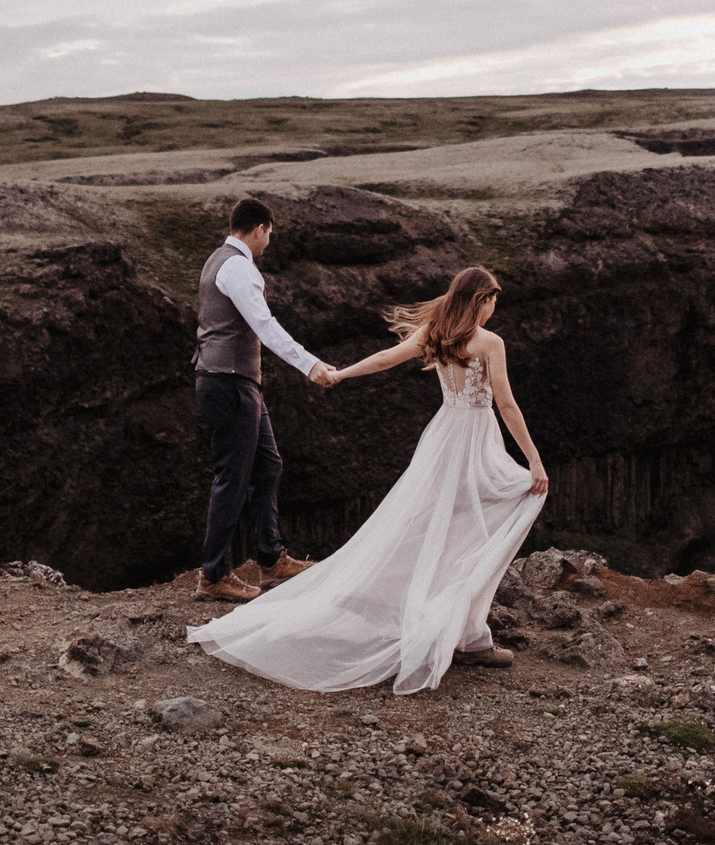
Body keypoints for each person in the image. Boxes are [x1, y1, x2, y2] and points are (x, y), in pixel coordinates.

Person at [187, 264, 549, 694]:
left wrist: (341, 373)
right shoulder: (490, 342)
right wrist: (534, 461)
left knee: (444, 527)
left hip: (443, 438)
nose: (493, 310)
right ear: (481, 299)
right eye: (492, 301)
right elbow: (506, 406)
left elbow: (385, 359)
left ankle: (465, 631)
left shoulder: (436, 331)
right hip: (475, 441)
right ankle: (466, 634)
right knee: (486, 520)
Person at [192, 196, 341, 604]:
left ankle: (271, 559)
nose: (268, 243)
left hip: (233, 383)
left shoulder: (214, 260)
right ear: (259, 229)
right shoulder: (239, 267)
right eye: (269, 234)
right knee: (232, 480)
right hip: (230, 385)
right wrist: (309, 364)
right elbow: (265, 325)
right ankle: (214, 575)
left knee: (268, 466)